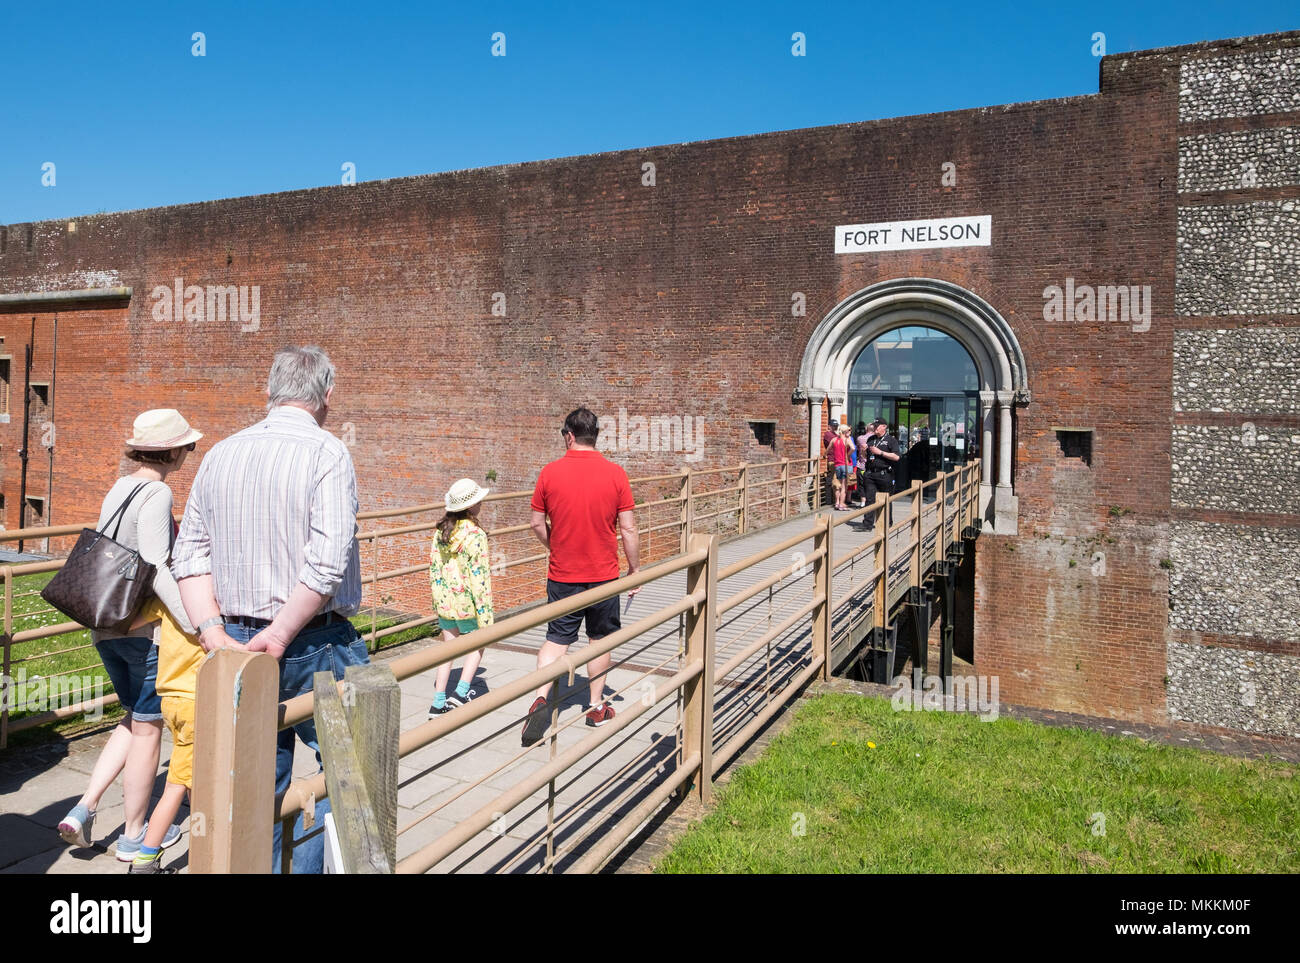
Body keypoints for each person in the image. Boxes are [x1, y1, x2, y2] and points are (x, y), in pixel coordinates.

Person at [172, 345, 367, 874]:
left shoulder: (221, 454)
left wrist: (213, 633)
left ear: (269, 393)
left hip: (234, 641)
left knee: (255, 777)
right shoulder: (328, 454)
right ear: (327, 395)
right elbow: (326, 564)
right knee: (351, 770)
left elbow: (187, 553)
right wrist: (279, 635)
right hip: (314, 641)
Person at [57, 409, 200, 861]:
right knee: (147, 730)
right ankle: (135, 835)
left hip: (107, 627)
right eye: (187, 447)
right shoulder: (157, 491)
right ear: (171, 451)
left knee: (133, 719)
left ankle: (84, 808)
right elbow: (156, 566)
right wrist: (196, 623)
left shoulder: (120, 487)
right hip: (144, 630)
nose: (188, 454)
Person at [522, 407, 640, 747]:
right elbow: (629, 528)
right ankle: (595, 707)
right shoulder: (616, 474)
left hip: (563, 574)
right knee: (599, 640)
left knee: (556, 640)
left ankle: (541, 697)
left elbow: (535, 523)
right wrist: (634, 570)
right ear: (595, 436)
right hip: (603, 575)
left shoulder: (549, 472)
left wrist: (554, 546)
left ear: (569, 435)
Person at [125, 593, 204, 874]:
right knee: (176, 786)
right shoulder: (209, 606)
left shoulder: (172, 597)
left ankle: (204, 844)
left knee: (195, 781)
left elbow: (133, 621)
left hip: (170, 699)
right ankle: (145, 859)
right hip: (197, 701)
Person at [427, 478, 495, 717]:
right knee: (478, 643)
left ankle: (438, 701)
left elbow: (435, 568)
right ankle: (461, 692)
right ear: (472, 505)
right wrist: (485, 615)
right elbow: (480, 577)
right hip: (467, 602)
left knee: (449, 647)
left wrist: (438, 599)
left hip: (446, 601)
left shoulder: (441, 532)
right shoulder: (475, 535)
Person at [857, 418, 901, 532]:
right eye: (874, 426)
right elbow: (866, 456)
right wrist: (863, 451)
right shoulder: (871, 439)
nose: (875, 428)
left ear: (884, 427)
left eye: (877, 426)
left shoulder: (891, 440)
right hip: (871, 473)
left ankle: (887, 524)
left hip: (885, 473)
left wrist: (880, 452)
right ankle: (867, 524)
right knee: (870, 499)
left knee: (886, 499)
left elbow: (896, 457)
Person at [827, 423, 853, 511]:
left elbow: (828, 449)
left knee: (838, 485)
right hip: (846, 465)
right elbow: (853, 448)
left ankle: (838, 503)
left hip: (837, 465)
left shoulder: (834, 439)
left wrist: (824, 455)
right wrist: (847, 455)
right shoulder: (847, 439)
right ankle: (841, 504)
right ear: (845, 431)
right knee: (844, 487)